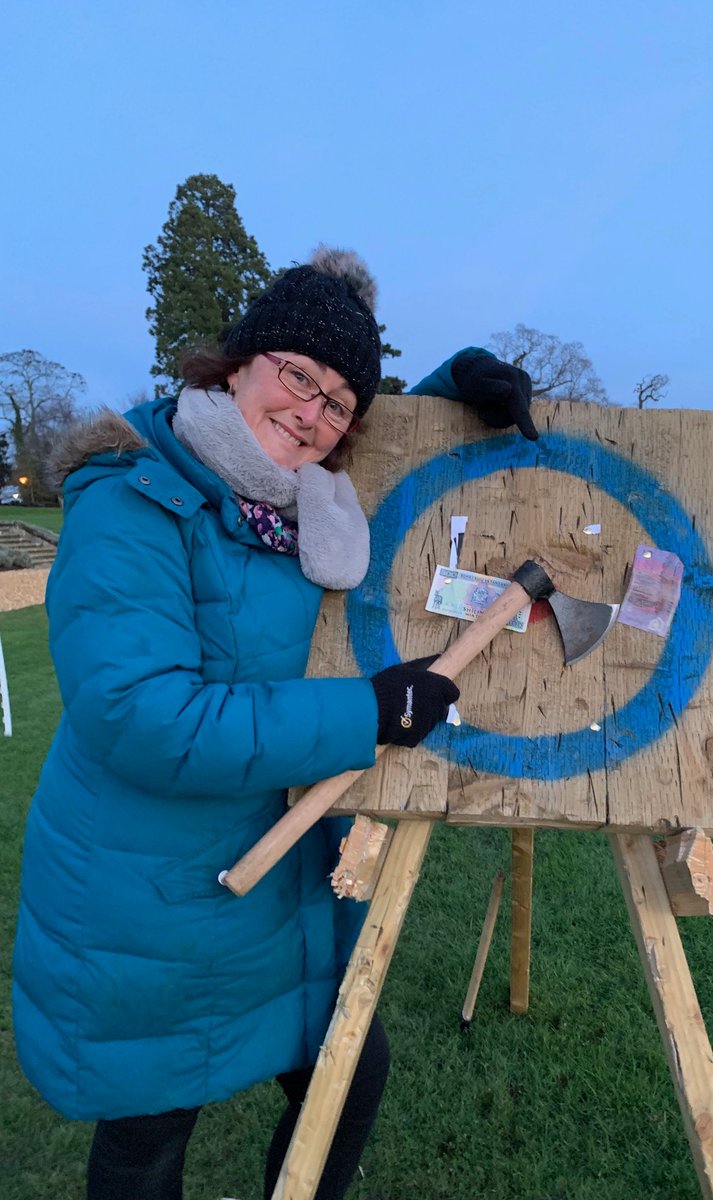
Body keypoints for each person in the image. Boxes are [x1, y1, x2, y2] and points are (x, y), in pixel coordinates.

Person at [12, 246, 537, 1200]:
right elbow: (143, 717)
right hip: (151, 892)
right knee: (151, 1126)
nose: (311, 412)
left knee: (348, 1078)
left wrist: (457, 382)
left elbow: (377, 446)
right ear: (238, 362)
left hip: (280, 868)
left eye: (339, 401)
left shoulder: (311, 500)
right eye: (297, 375)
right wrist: (367, 712)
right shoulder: (132, 495)